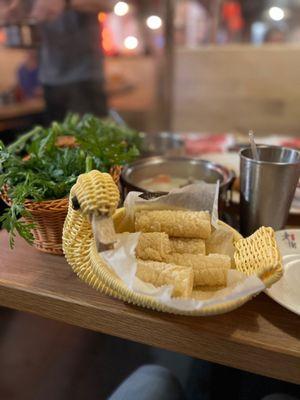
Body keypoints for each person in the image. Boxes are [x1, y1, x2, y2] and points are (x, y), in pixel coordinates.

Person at [1, 0, 111, 121]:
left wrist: (65, 2)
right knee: (57, 136)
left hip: (84, 76)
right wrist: (14, 11)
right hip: (49, 80)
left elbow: (108, 4)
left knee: (94, 135)